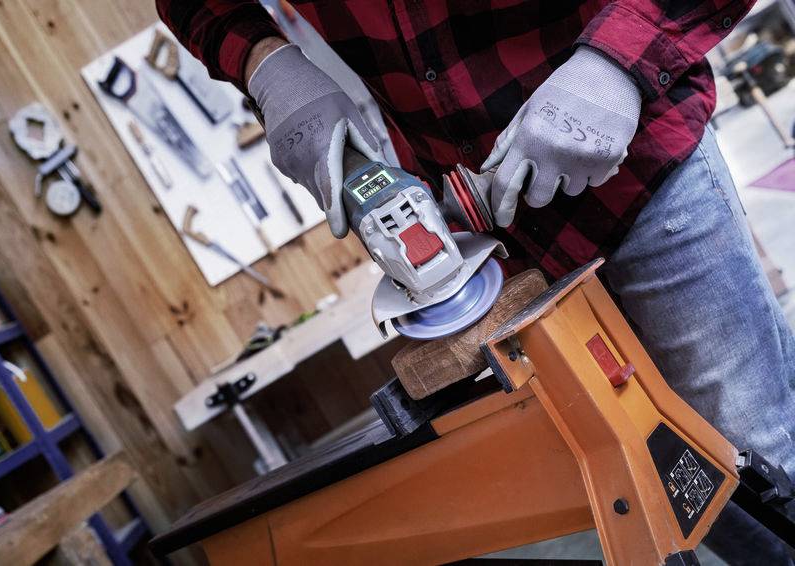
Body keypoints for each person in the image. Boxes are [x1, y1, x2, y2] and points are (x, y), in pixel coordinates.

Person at [157, 1, 795, 562]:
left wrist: (617, 59)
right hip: (489, 217)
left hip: (637, 158)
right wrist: (268, 66)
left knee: (757, 457)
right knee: (675, 478)